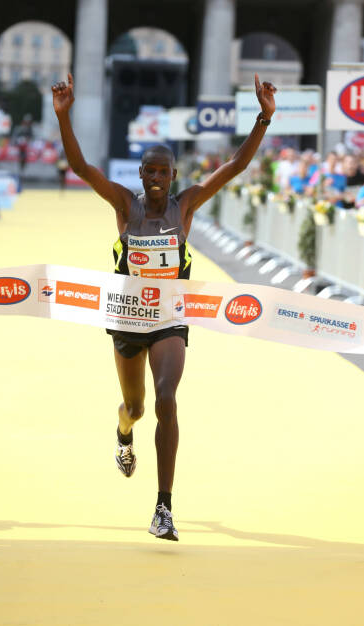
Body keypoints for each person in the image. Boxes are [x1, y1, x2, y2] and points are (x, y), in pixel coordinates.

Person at [51, 72, 276, 542]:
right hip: (128, 321)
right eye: (149, 172)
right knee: (135, 406)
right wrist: (63, 114)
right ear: (140, 175)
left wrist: (264, 118)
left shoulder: (185, 207)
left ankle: (163, 508)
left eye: (163, 173)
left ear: (174, 176)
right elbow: (80, 167)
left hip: (170, 319)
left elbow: (234, 166)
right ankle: (122, 430)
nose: (156, 180)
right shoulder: (124, 206)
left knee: (167, 399)